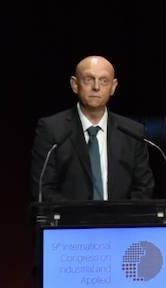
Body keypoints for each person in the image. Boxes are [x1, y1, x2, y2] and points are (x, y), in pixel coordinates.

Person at [31, 55, 155, 202]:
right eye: (89, 79)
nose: (96, 87)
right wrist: (79, 218)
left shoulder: (132, 132)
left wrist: (119, 219)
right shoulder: (52, 129)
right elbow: (43, 188)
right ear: (75, 84)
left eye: (104, 81)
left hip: (120, 222)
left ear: (113, 87)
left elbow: (144, 188)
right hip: (70, 222)